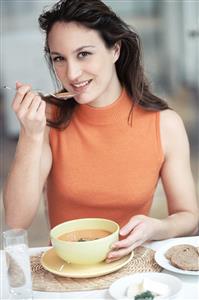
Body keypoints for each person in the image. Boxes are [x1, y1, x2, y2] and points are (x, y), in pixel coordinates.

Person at [3, 0, 198, 263]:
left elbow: (189, 217)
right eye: (59, 58)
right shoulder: (47, 120)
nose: (71, 73)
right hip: (66, 270)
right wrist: (31, 135)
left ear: (115, 49)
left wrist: (157, 227)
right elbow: (16, 221)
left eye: (83, 54)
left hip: (131, 268)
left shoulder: (165, 124)